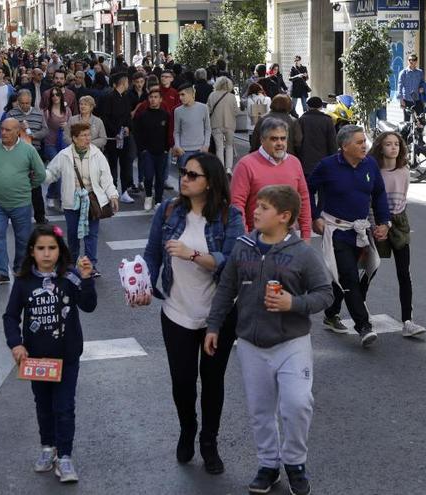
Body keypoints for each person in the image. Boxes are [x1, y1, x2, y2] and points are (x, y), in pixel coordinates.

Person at [204, 185, 333, 495]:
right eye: (256, 205)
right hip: (250, 342)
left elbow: (325, 293)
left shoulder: (302, 252)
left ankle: (295, 462)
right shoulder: (243, 245)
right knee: (260, 409)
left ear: (284, 216)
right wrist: (214, 326)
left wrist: (294, 304)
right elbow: (226, 289)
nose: (255, 211)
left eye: (263, 207)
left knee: (297, 404)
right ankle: (268, 465)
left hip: (291, 342)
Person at [138, 152, 244, 475]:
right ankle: (188, 427)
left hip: (218, 316)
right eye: (183, 172)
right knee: (182, 382)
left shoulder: (230, 215)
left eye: (193, 175)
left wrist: (193, 254)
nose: (184, 178)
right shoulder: (167, 210)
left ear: (210, 182)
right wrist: (142, 283)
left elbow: (231, 262)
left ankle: (209, 442)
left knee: (212, 383)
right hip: (176, 312)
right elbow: (152, 253)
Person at [3, 225, 97, 483]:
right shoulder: (23, 282)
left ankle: (65, 457)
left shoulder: (70, 277)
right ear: (31, 251)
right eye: (41, 248)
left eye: (52, 248)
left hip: (67, 357)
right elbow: (11, 316)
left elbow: (88, 306)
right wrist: (16, 343)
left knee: (64, 407)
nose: (47, 254)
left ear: (60, 250)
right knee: (43, 406)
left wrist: (87, 279)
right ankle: (48, 447)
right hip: (36, 359)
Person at [308, 125, 390, 347]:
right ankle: (363, 326)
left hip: (360, 231)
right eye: (359, 142)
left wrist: (384, 222)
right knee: (349, 276)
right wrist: (315, 216)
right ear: (344, 146)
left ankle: (331, 313)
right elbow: (307, 189)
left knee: (355, 275)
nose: (365, 146)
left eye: (365, 141)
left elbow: (379, 193)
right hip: (336, 230)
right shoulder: (327, 166)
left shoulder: (370, 164)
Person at [43, 122, 119, 276]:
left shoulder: (97, 153)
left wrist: (113, 194)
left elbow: (106, 177)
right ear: (74, 138)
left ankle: (91, 265)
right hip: (72, 201)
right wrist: (39, 175)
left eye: (88, 135)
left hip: (92, 200)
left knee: (92, 234)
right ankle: (72, 263)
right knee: (73, 234)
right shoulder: (64, 155)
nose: (87, 138)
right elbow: (51, 173)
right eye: (83, 135)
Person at [370, 132, 426, 337]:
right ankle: (360, 312)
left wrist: (397, 220)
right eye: (388, 144)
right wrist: (375, 224)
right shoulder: (374, 171)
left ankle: (408, 321)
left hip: (400, 222)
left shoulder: (404, 169)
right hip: (377, 221)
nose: (393, 147)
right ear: (380, 147)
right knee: (369, 269)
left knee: (404, 273)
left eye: (396, 144)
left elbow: (403, 196)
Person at [0, 118, 46, 285]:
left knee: (22, 238)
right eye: (2, 129)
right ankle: (1, 271)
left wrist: (29, 185)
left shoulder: (28, 150)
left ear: (18, 132)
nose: (3, 133)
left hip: (21, 203)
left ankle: (20, 268)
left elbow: (41, 173)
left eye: (8, 130)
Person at [231, 118, 313, 240]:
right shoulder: (246, 165)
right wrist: (245, 237)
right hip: (257, 239)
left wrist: (306, 235)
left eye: (283, 138)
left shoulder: (294, 162)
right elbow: (237, 204)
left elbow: (304, 199)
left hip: (289, 239)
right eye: (274, 139)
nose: (280, 143)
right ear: (262, 140)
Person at [5, 89, 50, 223]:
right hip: (16, 154)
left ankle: (40, 216)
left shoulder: (38, 113)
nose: (25, 106)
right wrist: (18, 129)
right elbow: (5, 134)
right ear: (17, 102)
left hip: (34, 153)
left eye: (27, 103)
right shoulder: (11, 114)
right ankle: (16, 215)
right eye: (22, 103)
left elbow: (45, 130)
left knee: (35, 186)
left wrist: (33, 135)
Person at [96, 73, 134, 203]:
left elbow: (128, 115)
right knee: (112, 165)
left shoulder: (126, 97)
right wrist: (115, 131)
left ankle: (124, 191)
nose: (128, 85)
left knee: (125, 164)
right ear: (123, 83)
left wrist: (128, 127)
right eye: (127, 82)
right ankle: (112, 191)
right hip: (113, 137)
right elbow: (105, 117)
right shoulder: (109, 97)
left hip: (124, 135)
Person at [133, 87, 172, 210]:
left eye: (156, 97)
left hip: (162, 151)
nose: (153, 100)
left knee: (160, 177)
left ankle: (159, 200)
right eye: (151, 97)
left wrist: (167, 148)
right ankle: (149, 196)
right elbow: (137, 133)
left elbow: (169, 133)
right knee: (148, 176)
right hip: (147, 152)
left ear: (160, 100)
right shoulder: (143, 115)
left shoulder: (166, 115)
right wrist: (142, 149)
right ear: (148, 99)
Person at [43, 87, 72, 210]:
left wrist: (67, 126)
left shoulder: (67, 110)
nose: (55, 97)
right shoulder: (47, 112)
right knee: (59, 169)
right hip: (50, 144)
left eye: (57, 95)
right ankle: (60, 199)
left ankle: (51, 194)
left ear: (61, 96)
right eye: (53, 95)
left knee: (59, 171)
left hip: (64, 143)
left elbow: (72, 126)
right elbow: (44, 128)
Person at [172, 84, 211, 175]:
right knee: (184, 177)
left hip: (200, 149)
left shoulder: (203, 108)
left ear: (192, 94)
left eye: (183, 94)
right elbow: (176, 131)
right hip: (184, 151)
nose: (180, 98)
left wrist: (206, 145)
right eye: (179, 95)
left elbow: (207, 129)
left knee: (200, 176)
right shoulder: (177, 111)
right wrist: (177, 145)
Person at [297, 97, 337, 177]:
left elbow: (298, 141)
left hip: (305, 162)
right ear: (321, 107)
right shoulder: (327, 120)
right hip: (323, 162)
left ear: (308, 106)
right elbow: (332, 143)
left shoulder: (301, 120)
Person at [207, 76, 239, 172]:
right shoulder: (232, 97)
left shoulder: (212, 95)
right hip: (230, 124)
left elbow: (207, 110)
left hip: (216, 124)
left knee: (219, 147)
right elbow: (236, 112)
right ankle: (228, 168)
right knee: (229, 146)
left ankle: (220, 167)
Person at [398, 54, 425, 121]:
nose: (411, 61)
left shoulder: (420, 72)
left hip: (418, 100)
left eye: (413, 60)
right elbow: (399, 86)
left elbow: (422, 83)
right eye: (409, 60)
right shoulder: (403, 73)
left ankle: (418, 132)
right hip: (407, 100)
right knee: (407, 121)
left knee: (420, 120)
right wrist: (401, 100)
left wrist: (422, 88)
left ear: (416, 61)